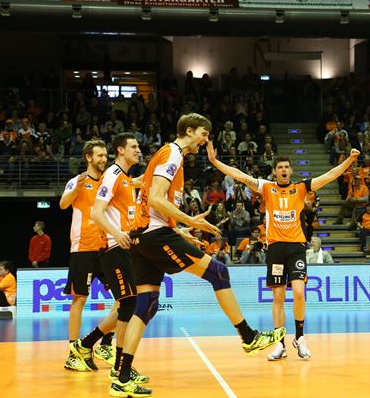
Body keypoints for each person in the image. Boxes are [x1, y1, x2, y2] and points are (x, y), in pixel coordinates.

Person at [112, 113, 285, 397]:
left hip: (143, 235)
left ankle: (122, 375)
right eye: (204, 134)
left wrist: (179, 230)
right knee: (219, 272)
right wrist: (190, 221)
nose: (205, 140)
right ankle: (248, 336)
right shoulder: (172, 154)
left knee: (146, 305)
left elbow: (152, 203)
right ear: (189, 131)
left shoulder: (168, 155)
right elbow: (155, 198)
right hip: (154, 234)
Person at [208, 138, 360, 361]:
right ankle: (280, 344)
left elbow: (329, 176)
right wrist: (214, 161)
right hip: (276, 248)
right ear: (274, 171)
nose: (284, 170)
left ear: (291, 170)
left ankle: (300, 337)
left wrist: (350, 160)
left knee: (299, 292)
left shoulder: (300, 188)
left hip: (296, 247)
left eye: (287, 167)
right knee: (278, 297)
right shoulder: (267, 188)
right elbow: (240, 176)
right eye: (280, 167)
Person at [69, 133, 149, 386]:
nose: (138, 150)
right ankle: (114, 364)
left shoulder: (124, 178)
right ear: (120, 150)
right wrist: (117, 234)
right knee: (127, 305)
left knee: (128, 304)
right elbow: (96, 212)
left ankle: (91, 346)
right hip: (112, 247)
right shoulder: (113, 174)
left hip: (123, 247)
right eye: (134, 146)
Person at [60, 139, 118, 371]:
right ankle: (73, 353)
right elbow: (63, 204)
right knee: (79, 299)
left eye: (105, 155)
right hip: (83, 247)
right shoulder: (77, 180)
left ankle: (105, 343)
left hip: (106, 247)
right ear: (88, 157)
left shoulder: (107, 182)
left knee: (125, 297)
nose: (104, 159)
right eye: (100, 155)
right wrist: (76, 187)